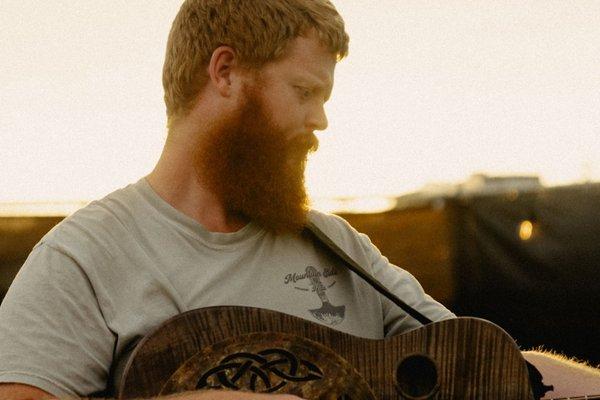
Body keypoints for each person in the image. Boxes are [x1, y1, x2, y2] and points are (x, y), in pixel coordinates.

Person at [0, 1, 598, 399]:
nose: (320, 120)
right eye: (305, 91)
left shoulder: (337, 246)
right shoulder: (84, 258)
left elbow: (492, 368)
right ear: (225, 72)